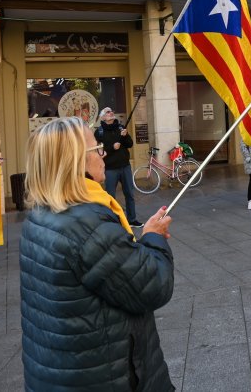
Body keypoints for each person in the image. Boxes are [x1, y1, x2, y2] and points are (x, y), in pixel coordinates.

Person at [20, 116, 175, 391]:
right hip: (105, 373)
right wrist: (153, 238)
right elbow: (152, 285)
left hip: (60, 368)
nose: (103, 155)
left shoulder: (42, 213)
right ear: (76, 160)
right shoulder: (86, 222)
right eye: (97, 149)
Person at [94, 107, 139, 225]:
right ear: (103, 117)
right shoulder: (99, 132)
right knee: (110, 197)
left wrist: (125, 135)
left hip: (125, 166)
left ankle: (132, 219)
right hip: (110, 169)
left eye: (111, 111)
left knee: (130, 194)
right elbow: (98, 151)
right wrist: (112, 148)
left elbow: (130, 144)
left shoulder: (120, 128)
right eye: (107, 112)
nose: (111, 112)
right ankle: (113, 222)